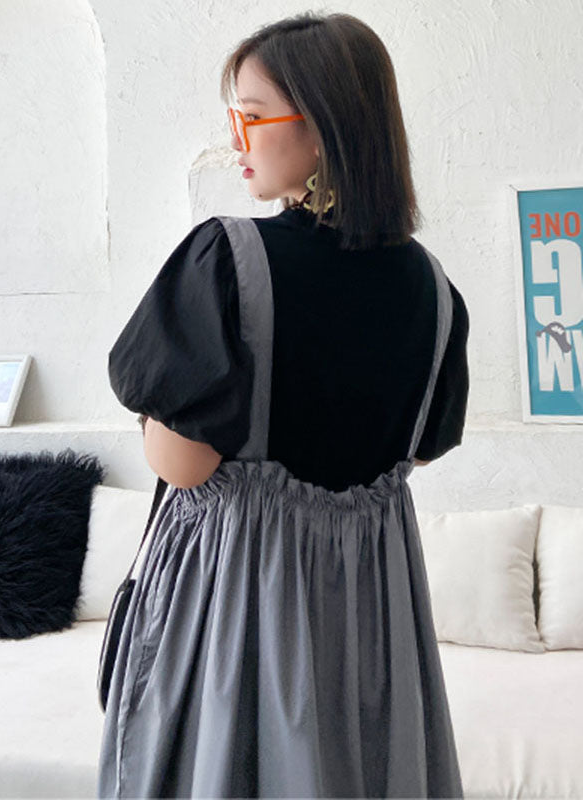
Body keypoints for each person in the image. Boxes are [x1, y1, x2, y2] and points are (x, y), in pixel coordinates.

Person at [97, 11, 468, 799]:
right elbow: (418, 449)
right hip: (373, 616)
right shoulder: (433, 289)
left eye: (252, 116)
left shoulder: (231, 260)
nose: (236, 138)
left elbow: (182, 464)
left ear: (323, 128)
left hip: (243, 602)